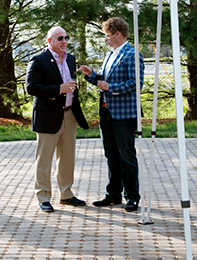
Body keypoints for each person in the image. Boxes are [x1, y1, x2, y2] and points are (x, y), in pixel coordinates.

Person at [78, 17, 144, 212]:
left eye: (107, 35)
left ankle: (132, 196)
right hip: (106, 113)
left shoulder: (132, 54)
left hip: (124, 115)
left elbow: (136, 83)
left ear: (117, 33)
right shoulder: (110, 55)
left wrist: (111, 87)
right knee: (111, 156)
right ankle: (113, 194)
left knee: (127, 156)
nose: (105, 39)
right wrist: (92, 76)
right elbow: (103, 81)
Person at [26, 26, 89, 213]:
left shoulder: (70, 58)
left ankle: (66, 194)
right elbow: (31, 87)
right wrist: (58, 89)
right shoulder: (38, 60)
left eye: (66, 38)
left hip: (69, 115)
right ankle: (43, 196)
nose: (64, 41)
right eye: (60, 38)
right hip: (48, 116)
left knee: (67, 158)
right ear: (49, 41)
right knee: (44, 160)